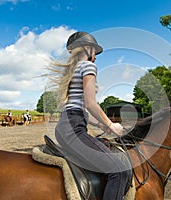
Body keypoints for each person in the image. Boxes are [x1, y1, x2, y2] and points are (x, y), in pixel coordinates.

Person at [49, 31, 130, 200]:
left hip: (67, 126)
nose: (96, 56)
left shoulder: (72, 70)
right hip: (74, 130)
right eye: (94, 50)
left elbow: (79, 109)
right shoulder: (88, 66)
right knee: (120, 171)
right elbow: (90, 103)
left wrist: (100, 124)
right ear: (87, 49)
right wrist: (110, 125)